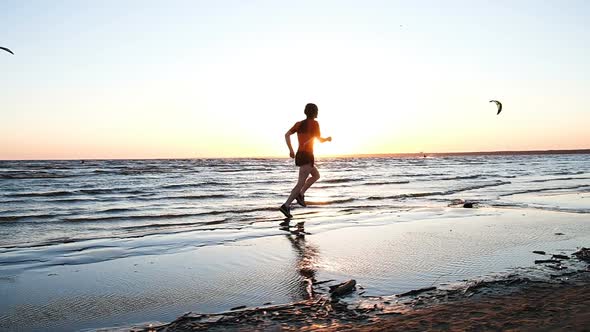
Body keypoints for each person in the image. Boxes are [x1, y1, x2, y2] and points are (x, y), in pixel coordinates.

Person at [279, 103, 331, 218]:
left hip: (300, 154)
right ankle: (286, 205)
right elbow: (319, 140)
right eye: (317, 111)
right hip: (307, 155)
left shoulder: (299, 124)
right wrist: (327, 139)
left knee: (316, 175)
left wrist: (291, 150)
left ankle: (301, 194)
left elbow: (287, 135)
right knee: (300, 183)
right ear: (314, 112)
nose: (318, 113)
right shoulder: (315, 124)